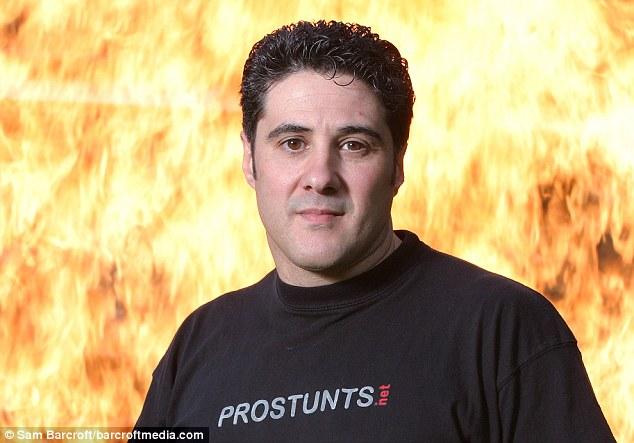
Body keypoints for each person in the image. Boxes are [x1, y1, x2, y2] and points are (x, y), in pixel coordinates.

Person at [134, 20, 615, 442]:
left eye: (353, 145)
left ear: (397, 165)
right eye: (293, 143)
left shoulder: (500, 328)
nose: (320, 176)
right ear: (250, 159)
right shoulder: (198, 347)